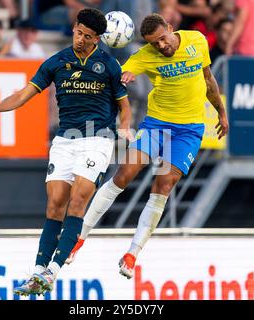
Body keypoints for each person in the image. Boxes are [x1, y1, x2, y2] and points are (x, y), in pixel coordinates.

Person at [0, 8, 132, 294]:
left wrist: (125, 128)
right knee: (55, 203)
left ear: (97, 39)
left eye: (87, 36)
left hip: (97, 139)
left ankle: (52, 271)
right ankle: (36, 273)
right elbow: (23, 95)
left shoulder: (109, 64)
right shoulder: (56, 62)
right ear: (74, 29)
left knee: (79, 198)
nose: (80, 39)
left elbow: (124, 106)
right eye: (78, 32)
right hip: (65, 141)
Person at [66, 13, 229, 279]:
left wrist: (221, 113)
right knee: (123, 176)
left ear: (171, 29)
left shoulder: (197, 41)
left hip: (188, 131)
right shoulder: (145, 56)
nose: (161, 47)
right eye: (155, 44)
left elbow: (208, 79)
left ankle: (132, 254)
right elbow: (125, 72)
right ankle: (79, 237)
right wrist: (124, 76)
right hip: (156, 126)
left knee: (163, 187)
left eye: (163, 40)